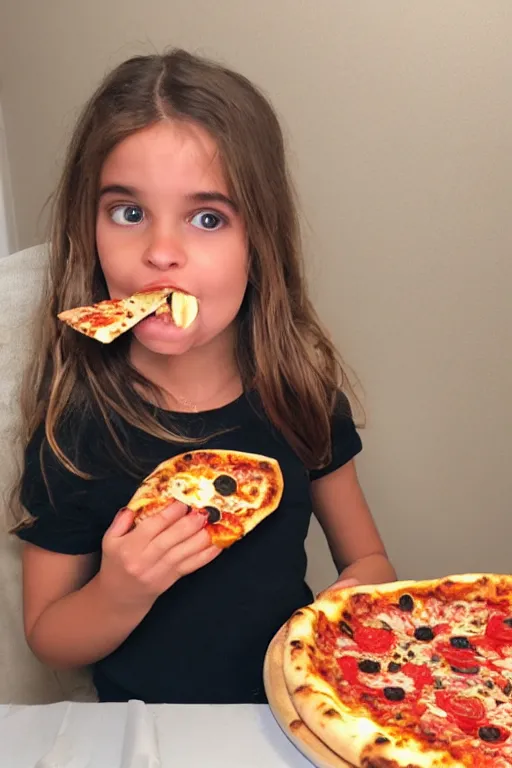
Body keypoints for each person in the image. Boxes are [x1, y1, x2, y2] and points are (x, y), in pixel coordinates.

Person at [12, 48, 396, 704]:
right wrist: (118, 592)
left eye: (208, 218)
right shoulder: (74, 423)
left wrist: (348, 607)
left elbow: (370, 562)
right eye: (128, 213)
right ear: (89, 230)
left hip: (290, 717)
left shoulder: (299, 396)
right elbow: (47, 635)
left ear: (260, 241)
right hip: (143, 733)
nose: (162, 252)